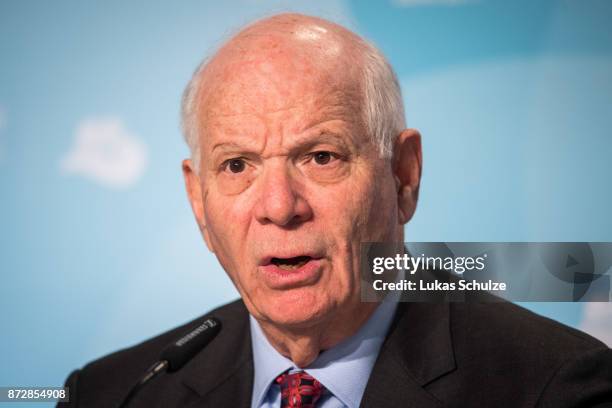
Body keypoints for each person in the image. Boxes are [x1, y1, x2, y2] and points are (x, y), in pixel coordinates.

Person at [59, 13, 612, 408]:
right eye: (236, 167)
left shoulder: (557, 386)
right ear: (198, 203)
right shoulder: (112, 393)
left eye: (321, 156)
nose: (279, 207)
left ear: (403, 176)